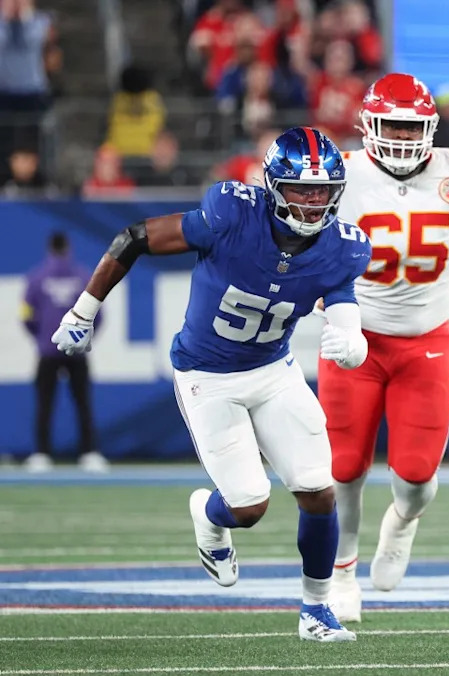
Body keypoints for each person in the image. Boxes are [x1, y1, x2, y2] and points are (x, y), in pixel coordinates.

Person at [50, 127, 371, 642]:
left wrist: (353, 341)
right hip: (207, 374)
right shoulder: (230, 214)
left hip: (273, 370)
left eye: (322, 191)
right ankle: (210, 515)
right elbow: (132, 238)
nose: (313, 204)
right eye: (300, 190)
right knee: (249, 504)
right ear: (272, 187)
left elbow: (343, 302)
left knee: (317, 491)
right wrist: (83, 311)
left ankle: (317, 609)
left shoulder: (346, 247)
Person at [319, 73, 449, 622]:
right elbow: (306, 251)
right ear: (369, 125)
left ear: (431, 127)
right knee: (343, 468)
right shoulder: (340, 176)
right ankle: (341, 574)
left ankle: (401, 524)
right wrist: (325, 313)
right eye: (394, 125)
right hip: (356, 335)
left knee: (415, 481)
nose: (405, 138)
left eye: (414, 126)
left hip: (426, 341)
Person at [21, 232, 107, 473]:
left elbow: (26, 315)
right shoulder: (82, 277)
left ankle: (42, 454)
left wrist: (40, 338)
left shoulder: (36, 278)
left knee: (44, 404)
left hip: (47, 350)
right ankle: (89, 453)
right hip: (76, 352)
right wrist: (83, 339)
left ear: (49, 248)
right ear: (68, 247)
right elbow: (98, 315)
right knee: (83, 404)